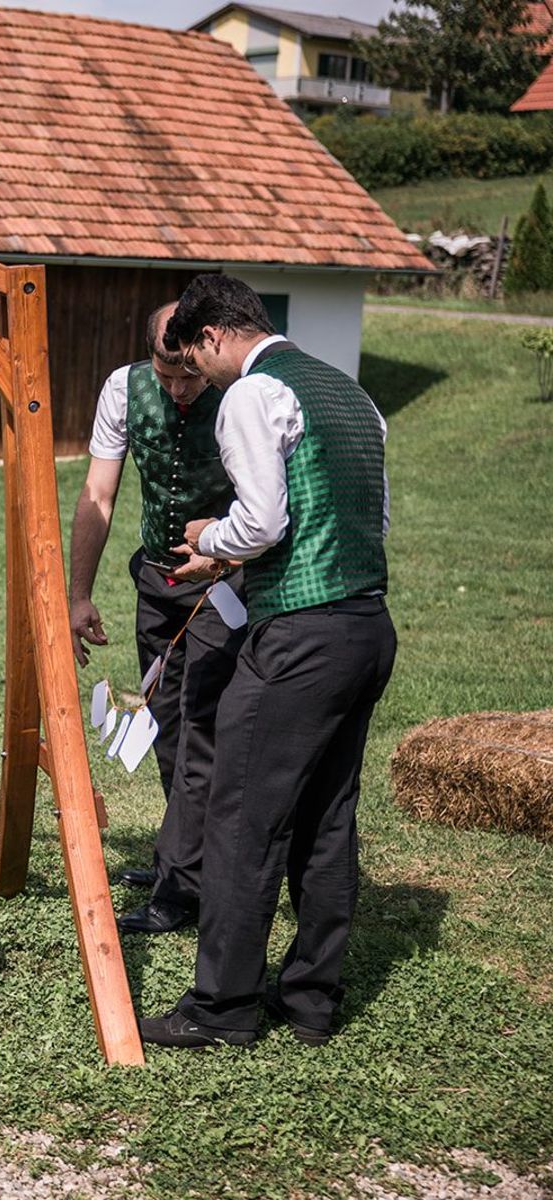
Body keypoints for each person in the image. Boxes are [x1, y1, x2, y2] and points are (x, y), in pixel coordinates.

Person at [139, 274, 396, 1050]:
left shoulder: (253, 393)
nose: (203, 378)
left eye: (197, 361)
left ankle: (222, 1007)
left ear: (213, 335)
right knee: (326, 815)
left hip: (300, 639)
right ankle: (312, 999)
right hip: (366, 625)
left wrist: (209, 538)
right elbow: (363, 518)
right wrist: (237, 555)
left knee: (241, 814)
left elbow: (261, 523)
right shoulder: (352, 395)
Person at [68, 302, 247, 935]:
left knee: (201, 728)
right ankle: (186, 859)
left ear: (204, 355)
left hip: (224, 583)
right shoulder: (123, 389)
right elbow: (99, 493)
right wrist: (78, 593)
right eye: (165, 375)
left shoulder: (241, 395)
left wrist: (224, 556)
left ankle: (183, 886)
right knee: (164, 721)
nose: (177, 389)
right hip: (156, 580)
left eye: (188, 376)